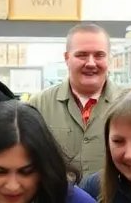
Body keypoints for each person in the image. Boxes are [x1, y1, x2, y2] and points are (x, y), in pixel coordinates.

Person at [29, 23, 119, 175]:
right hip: (58, 198)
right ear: (66, 58)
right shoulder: (38, 105)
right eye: (82, 55)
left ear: (108, 59)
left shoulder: (128, 104)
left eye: (99, 55)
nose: (91, 63)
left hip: (113, 198)